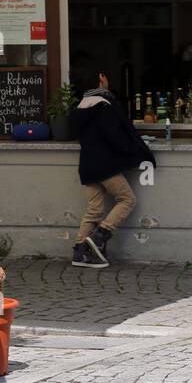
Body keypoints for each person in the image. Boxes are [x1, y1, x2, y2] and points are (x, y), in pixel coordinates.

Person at [70, 70, 155, 269]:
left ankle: (80, 252)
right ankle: (100, 236)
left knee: (94, 209)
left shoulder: (79, 109)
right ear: (101, 79)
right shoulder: (106, 107)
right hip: (105, 164)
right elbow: (116, 137)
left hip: (87, 165)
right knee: (127, 199)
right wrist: (136, 150)